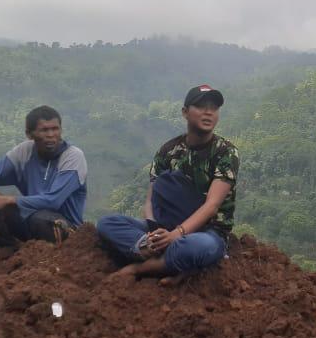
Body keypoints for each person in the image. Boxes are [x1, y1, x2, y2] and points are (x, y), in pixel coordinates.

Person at [97, 85, 238, 280]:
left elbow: (212, 206)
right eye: (200, 106)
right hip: (165, 226)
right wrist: (154, 235)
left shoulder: (226, 152)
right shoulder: (168, 151)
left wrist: (176, 235)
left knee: (201, 246)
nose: (208, 112)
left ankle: (141, 268)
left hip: (207, 231)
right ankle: (154, 253)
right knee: (107, 223)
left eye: (213, 108)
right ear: (185, 112)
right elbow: (150, 200)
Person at [0, 105, 88, 249]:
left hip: (64, 227)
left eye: (55, 129)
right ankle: (10, 249)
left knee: (44, 220)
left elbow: (53, 201)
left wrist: (8, 200)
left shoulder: (73, 156)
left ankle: (50, 255)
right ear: (29, 134)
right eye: (44, 130)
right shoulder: (24, 152)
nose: (51, 135)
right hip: (31, 219)